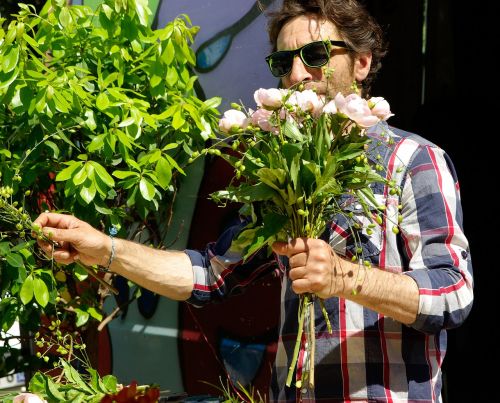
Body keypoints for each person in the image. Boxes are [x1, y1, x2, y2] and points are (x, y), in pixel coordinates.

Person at [35, 0, 473, 401]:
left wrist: (343, 277)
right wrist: (105, 249)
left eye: (316, 55)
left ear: (361, 63)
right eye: (284, 62)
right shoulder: (283, 175)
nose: (297, 75)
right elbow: (209, 274)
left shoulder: (414, 161)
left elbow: (453, 293)